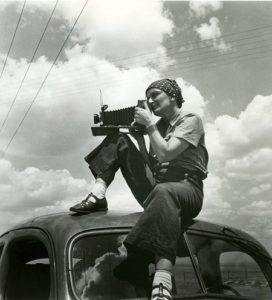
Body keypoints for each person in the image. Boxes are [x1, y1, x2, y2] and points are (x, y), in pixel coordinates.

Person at [70, 78, 209, 300]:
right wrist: (139, 139)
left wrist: (150, 126)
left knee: (165, 192)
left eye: (155, 95)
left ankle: (161, 282)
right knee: (121, 139)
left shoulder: (190, 120)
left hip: (186, 188)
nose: (151, 101)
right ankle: (98, 193)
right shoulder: (160, 127)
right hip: (159, 187)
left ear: (172, 96)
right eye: (148, 97)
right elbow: (154, 164)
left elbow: (166, 154)